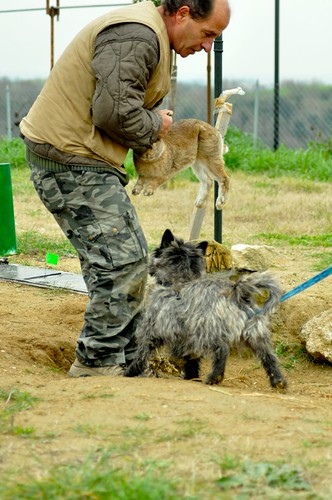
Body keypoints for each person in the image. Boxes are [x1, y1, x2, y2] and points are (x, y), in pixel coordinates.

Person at [20, 0, 231, 378]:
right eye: (208, 33)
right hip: (70, 157)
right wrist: (157, 124)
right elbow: (113, 112)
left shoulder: (151, 35)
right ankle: (97, 365)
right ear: (182, 13)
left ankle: (131, 361)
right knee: (121, 263)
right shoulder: (138, 35)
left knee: (129, 258)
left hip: (82, 156)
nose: (207, 46)